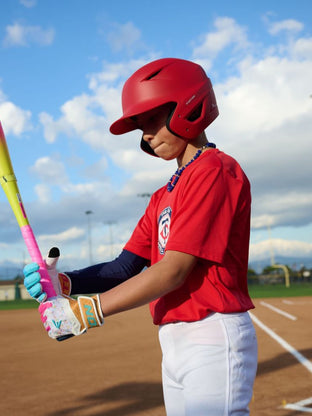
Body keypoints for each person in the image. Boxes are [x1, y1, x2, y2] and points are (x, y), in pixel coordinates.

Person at [23, 58, 258, 415]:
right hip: (174, 339)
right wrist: (66, 282)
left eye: (151, 119)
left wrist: (86, 313)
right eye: (140, 126)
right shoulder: (161, 196)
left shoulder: (214, 170)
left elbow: (172, 271)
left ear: (188, 106)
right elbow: (125, 266)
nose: (145, 134)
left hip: (211, 333)